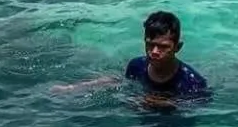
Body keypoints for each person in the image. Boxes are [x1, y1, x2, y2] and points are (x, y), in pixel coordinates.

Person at [55, 10, 208, 101]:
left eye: (163, 47)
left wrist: (161, 102)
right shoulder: (137, 66)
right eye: (150, 44)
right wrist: (72, 88)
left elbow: (195, 108)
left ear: (177, 47)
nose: (154, 51)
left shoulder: (193, 83)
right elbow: (120, 82)